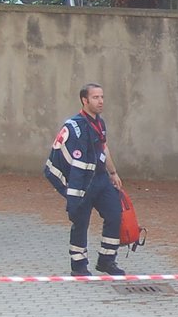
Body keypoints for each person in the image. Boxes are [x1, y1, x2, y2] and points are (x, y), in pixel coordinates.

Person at [43, 83, 125, 276]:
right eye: (96, 97)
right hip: (82, 182)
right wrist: (73, 193)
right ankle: (79, 266)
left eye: (102, 97)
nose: (101, 101)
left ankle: (106, 260)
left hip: (101, 179)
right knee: (80, 221)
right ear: (84, 100)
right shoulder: (75, 126)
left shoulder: (100, 123)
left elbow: (103, 148)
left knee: (114, 215)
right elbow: (68, 160)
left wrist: (113, 173)